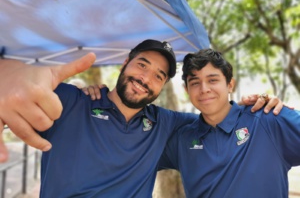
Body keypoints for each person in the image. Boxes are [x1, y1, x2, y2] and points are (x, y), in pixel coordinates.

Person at [0, 40, 283, 197]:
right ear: (125, 64)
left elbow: (215, 113)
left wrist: (255, 106)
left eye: (159, 76)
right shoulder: (72, 102)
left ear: (162, 87)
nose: (146, 79)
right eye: (142, 65)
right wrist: (7, 73)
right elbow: (13, 100)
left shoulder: (168, 124)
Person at [158, 49, 300, 198]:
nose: (204, 89)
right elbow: (136, 157)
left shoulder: (268, 119)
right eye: (195, 83)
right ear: (187, 90)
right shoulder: (182, 140)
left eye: (212, 80)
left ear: (230, 84)